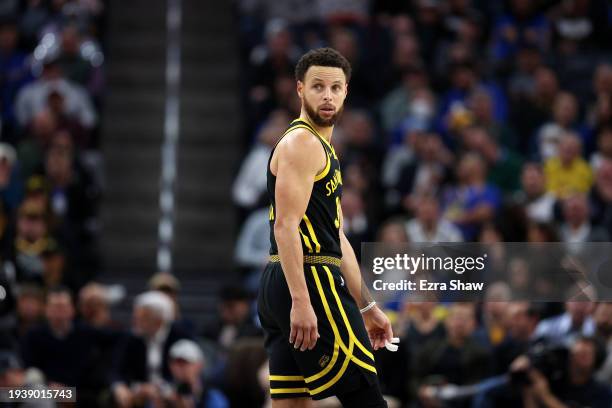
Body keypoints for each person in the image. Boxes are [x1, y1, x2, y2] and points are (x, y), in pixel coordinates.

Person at [257, 47, 393, 408]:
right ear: (300, 89)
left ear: (346, 91)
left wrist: (367, 306)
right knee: (368, 399)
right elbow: (286, 226)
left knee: (292, 404)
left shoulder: (321, 146)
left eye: (335, 88)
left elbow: (338, 239)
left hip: (287, 279)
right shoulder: (302, 142)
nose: (328, 95)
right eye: (318, 86)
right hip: (309, 278)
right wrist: (302, 299)